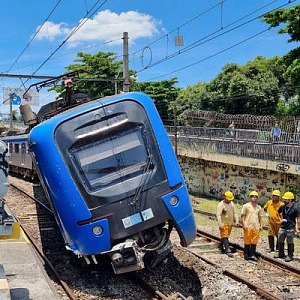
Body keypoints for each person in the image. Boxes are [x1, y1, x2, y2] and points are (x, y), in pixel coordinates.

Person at [274, 191, 300, 262]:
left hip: (290, 227)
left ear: (290, 200)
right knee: (280, 240)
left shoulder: (295, 208)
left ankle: (290, 255)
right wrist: (280, 219)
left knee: (290, 241)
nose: (284, 200)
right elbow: (278, 212)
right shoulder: (283, 206)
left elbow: (298, 218)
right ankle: (281, 253)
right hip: (283, 227)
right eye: (284, 199)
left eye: (286, 199)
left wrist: (298, 228)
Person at [241, 191, 264, 261]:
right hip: (248, 226)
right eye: (252, 196)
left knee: (254, 241)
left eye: (255, 197)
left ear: (257, 198)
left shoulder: (259, 207)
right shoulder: (246, 206)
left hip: (256, 227)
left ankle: (252, 254)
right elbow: (242, 216)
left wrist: (261, 225)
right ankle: (246, 254)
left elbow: (260, 217)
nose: (254, 198)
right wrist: (244, 224)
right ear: (250, 197)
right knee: (247, 240)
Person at [216, 190, 239, 257]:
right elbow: (218, 215)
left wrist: (236, 220)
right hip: (223, 223)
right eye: (228, 199)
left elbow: (234, 213)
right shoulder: (221, 205)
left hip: (230, 223)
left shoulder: (232, 204)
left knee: (226, 235)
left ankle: (221, 245)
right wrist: (220, 224)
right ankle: (227, 250)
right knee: (225, 236)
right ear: (225, 198)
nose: (229, 201)